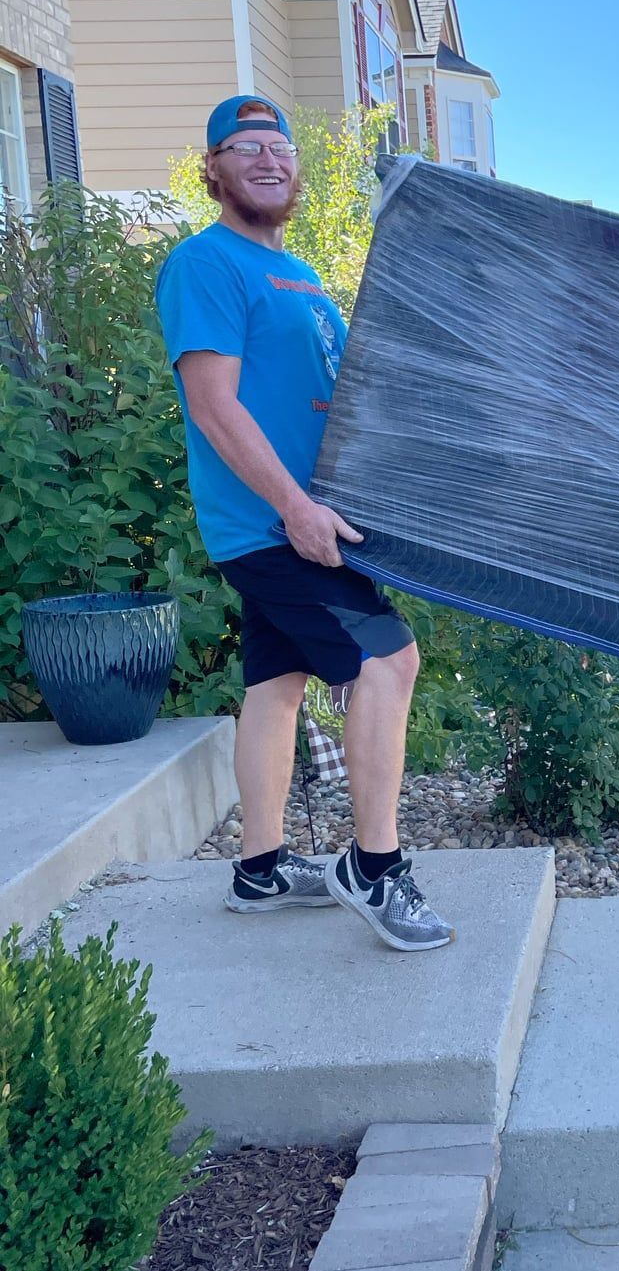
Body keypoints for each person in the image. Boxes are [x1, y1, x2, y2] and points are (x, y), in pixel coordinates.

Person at [155, 95, 454, 952]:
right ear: (212, 169)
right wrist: (294, 506)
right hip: (275, 524)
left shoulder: (302, 273)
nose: (267, 158)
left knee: (276, 685)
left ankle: (259, 869)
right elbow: (213, 406)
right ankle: (375, 867)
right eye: (244, 146)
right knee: (389, 661)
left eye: (279, 147)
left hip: (311, 514)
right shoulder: (205, 263)